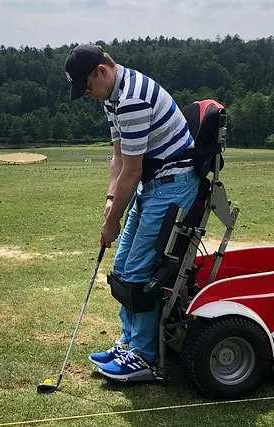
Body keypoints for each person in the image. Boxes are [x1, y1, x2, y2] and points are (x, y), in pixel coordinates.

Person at [64, 44, 199, 381]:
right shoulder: (113, 98)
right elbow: (119, 157)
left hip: (172, 183)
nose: (88, 95)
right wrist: (111, 202)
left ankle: (144, 356)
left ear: (101, 71)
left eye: (87, 87)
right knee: (123, 266)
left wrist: (110, 223)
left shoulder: (132, 100)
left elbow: (133, 170)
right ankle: (129, 342)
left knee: (139, 270)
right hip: (152, 183)